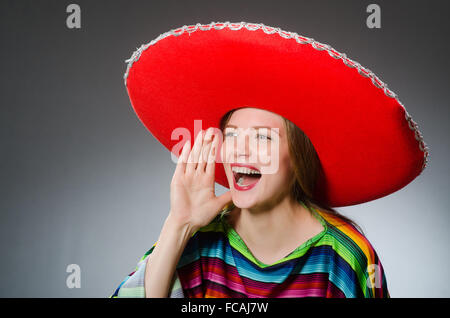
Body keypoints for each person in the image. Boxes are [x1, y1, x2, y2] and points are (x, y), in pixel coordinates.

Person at [111, 21, 428, 298]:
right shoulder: (199, 242)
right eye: (232, 135)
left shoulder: (345, 258)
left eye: (263, 137)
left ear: (298, 159)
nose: (240, 149)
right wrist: (178, 226)